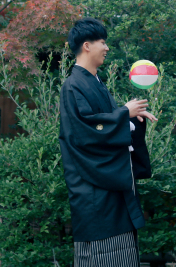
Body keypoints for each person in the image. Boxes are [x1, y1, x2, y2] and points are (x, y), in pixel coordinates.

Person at [59, 17, 157, 267]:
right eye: (102, 42)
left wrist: (132, 121)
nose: (106, 48)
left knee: (120, 250)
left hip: (107, 182)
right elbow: (85, 131)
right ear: (87, 46)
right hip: (91, 185)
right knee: (99, 251)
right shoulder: (73, 86)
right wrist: (124, 113)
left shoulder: (95, 82)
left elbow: (106, 123)